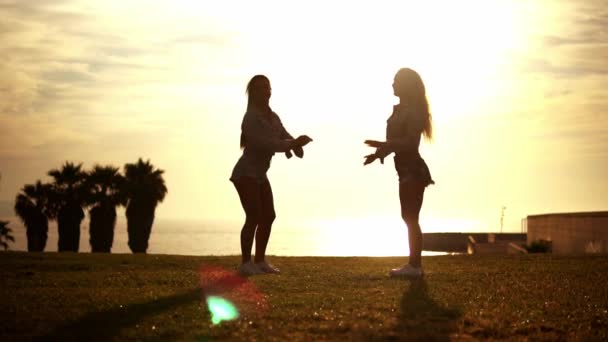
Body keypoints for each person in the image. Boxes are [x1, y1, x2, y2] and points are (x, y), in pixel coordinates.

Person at [230, 75, 312, 276]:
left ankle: (260, 261)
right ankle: (245, 263)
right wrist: (292, 145)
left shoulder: (272, 116)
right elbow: (266, 143)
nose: (265, 91)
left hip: (259, 174)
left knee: (269, 215)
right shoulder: (250, 118)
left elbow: (282, 135)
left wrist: (295, 144)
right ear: (253, 93)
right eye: (259, 88)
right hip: (245, 173)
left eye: (267, 87)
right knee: (254, 216)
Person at [364, 68, 434, 278]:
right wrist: (378, 153)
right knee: (409, 217)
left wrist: (386, 144)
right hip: (404, 169)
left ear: (407, 85)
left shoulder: (413, 111)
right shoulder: (401, 109)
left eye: (396, 81)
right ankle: (414, 265)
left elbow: (409, 142)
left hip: (413, 169)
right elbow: (395, 143)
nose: (392, 84)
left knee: (410, 217)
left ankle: (415, 266)